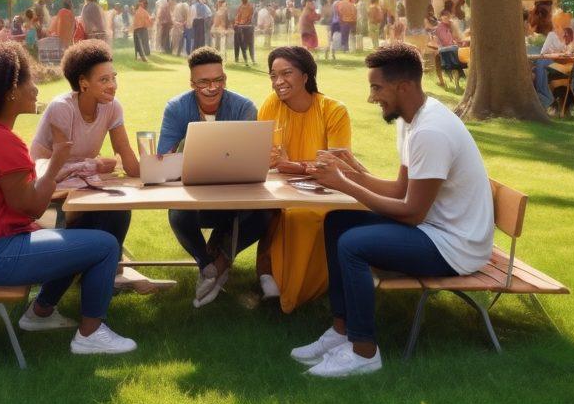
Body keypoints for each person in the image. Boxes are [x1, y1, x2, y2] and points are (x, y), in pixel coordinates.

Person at [294, 43, 494, 378]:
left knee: (352, 244)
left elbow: (412, 212)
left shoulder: (430, 131)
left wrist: (344, 183)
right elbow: (402, 190)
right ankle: (342, 331)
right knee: (337, 222)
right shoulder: (410, 119)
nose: (372, 97)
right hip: (433, 229)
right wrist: (355, 172)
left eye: (376, 87)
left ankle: (364, 352)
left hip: (455, 247)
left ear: (403, 87)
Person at [0, 42, 137, 355]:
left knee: (80, 237)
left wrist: (56, 168)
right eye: (28, 81)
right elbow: (32, 207)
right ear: (10, 93)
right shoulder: (2, 142)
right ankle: (90, 334)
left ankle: (40, 313)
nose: (35, 88)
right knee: (104, 245)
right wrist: (57, 163)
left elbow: (23, 204)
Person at [158, 46, 271, 307]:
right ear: (192, 83)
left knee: (266, 212)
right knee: (177, 213)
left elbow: (250, 158)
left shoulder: (244, 107)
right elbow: (164, 156)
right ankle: (207, 264)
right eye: (204, 82)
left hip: (235, 195)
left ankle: (221, 262)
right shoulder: (176, 108)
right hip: (194, 195)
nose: (212, 87)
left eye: (219, 80)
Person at [256, 46, 351, 309]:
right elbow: (264, 156)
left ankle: (296, 290)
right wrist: (280, 164)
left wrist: (291, 165)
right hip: (280, 186)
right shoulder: (271, 104)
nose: (278, 82)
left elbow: (336, 165)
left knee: (301, 216)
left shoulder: (333, 110)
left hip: (326, 189)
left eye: (287, 73)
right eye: (273, 75)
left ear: (306, 76)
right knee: (267, 210)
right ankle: (268, 273)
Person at [31, 41, 140, 254]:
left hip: (80, 188)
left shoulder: (112, 107)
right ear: (83, 82)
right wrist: (94, 165)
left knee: (119, 209)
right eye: (104, 79)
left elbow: (125, 154)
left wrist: (156, 170)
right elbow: (47, 171)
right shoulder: (62, 108)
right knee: (103, 211)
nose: (113, 85)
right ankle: (101, 265)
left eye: (114, 77)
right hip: (48, 195)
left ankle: (111, 269)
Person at [233, 0, 256, 65]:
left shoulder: (250, 7)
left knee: (250, 45)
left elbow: (250, 18)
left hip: (247, 28)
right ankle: (237, 59)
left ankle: (252, 59)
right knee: (237, 42)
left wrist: (242, 24)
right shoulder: (240, 7)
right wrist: (237, 23)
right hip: (240, 27)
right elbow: (237, 17)